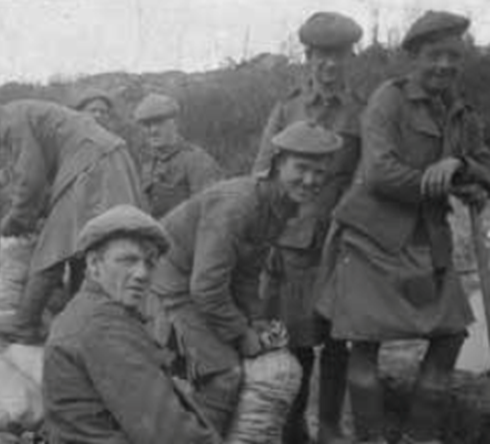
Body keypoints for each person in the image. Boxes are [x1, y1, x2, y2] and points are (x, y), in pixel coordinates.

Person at [316, 11, 490, 444]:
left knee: (450, 337)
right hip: (370, 236)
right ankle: (372, 438)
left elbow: (484, 164)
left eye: (454, 56)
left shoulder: (460, 111)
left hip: (428, 240)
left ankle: (420, 437)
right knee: (365, 343)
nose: (445, 65)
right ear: (414, 56)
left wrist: (462, 163)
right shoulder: (387, 99)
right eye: (435, 55)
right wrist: (449, 182)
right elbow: (379, 173)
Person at [150, 120, 344, 434]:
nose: (310, 180)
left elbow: (246, 274)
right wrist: (241, 334)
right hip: (166, 286)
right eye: (302, 168)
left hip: (195, 285)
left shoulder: (279, 205)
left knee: (248, 361)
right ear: (279, 163)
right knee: (224, 375)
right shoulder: (239, 205)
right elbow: (207, 285)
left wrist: (255, 320)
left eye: (320, 172)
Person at [0, 82, 145, 344]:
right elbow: (40, 180)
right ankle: (82, 326)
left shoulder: (11, 120)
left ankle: (24, 325)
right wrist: (34, 212)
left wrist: (17, 220)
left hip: (94, 164)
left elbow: (31, 180)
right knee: (87, 249)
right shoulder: (20, 118)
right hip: (105, 160)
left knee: (53, 250)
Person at [251, 11, 364, 444]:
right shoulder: (288, 108)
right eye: (322, 56)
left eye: (339, 55)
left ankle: (331, 426)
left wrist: (345, 219)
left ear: (349, 57)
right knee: (297, 340)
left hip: (343, 242)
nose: (330, 65)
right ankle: (294, 425)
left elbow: (366, 176)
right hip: (292, 246)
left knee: (339, 340)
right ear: (308, 57)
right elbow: (262, 172)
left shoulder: (361, 110)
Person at [44, 204, 221, 444]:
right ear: (95, 265)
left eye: (149, 263)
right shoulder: (102, 324)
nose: (142, 273)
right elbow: (167, 434)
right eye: (128, 260)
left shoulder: (95, 311)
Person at [134, 93, 224, 218]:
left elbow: (212, 213)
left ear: (175, 123)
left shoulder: (198, 161)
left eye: (159, 123)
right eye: (147, 125)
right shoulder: (147, 163)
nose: (153, 130)